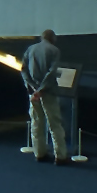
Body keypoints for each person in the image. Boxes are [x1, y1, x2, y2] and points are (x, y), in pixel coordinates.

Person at [21, 29, 70, 165]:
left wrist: (33, 89)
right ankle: (60, 156)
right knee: (55, 124)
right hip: (48, 92)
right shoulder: (54, 51)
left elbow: (23, 70)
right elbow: (52, 72)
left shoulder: (30, 49)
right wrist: (41, 89)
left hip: (33, 93)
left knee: (36, 123)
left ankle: (39, 153)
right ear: (52, 38)